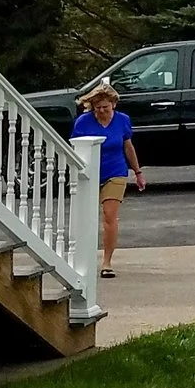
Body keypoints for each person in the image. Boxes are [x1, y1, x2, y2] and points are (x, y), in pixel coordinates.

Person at [72, 84, 145, 277]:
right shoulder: (82, 122)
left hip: (116, 171)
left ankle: (107, 262)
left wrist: (137, 172)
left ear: (113, 104)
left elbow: (128, 147)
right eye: (98, 108)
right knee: (85, 218)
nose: (101, 111)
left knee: (109, 215)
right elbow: (76, 150)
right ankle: (82, 260)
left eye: (105, 107)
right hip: (89, 173)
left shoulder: (123, 120)